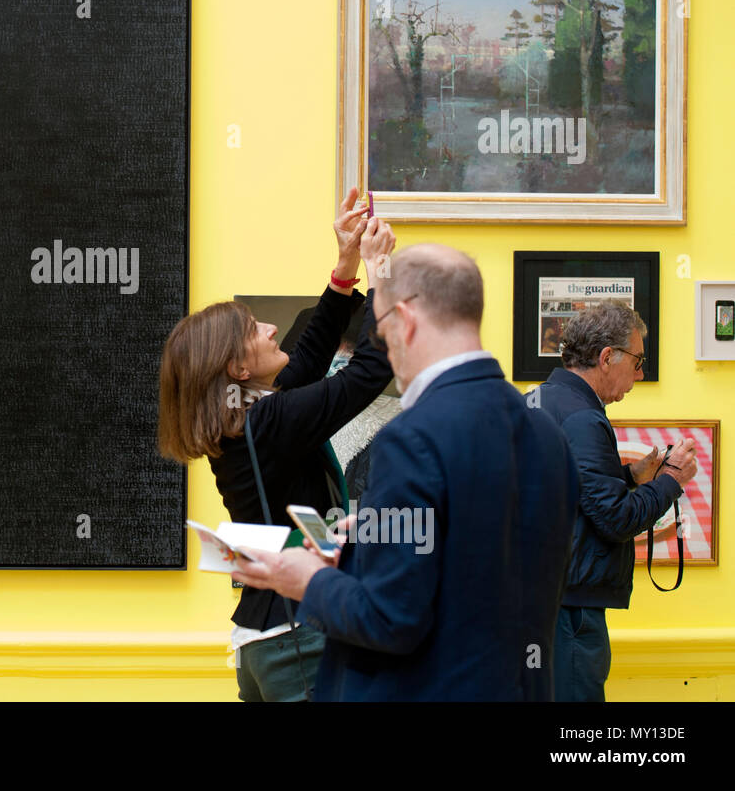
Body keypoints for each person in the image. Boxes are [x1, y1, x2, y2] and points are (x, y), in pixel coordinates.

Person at [233, 243, 579, 700]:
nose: (382, 347)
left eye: (380, 329)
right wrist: (368, 539)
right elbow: (480, 564)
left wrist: (307, 579)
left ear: (406, 321)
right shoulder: (547, 433)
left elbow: (389, 619)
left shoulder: (411, 438)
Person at [158, 188, 395, 701]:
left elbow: (305, 361)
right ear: (239, 370)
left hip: (262, 639)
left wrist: (345, 264)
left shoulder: (246, 419)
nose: (271, 329)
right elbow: (370, 371)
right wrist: (384, 277)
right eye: (254, 330)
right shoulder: (269, 421)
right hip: (297, 641)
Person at [534, 300, 698, 702]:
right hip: (571, 609)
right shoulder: (583, 418)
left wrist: (629, 476)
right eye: (638, 361)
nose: (640, 375)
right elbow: (616, 520)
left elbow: (564, 492)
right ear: (607, 357)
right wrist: (672, 480)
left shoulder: (539, 399)